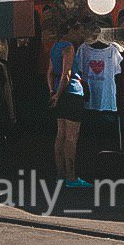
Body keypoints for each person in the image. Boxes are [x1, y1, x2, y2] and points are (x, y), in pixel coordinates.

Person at [48, 19, 90, 188]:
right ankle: (71, 177)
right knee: (72, 137)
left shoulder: (54, 47)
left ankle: (60, 174)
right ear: (71, 30)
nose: (81, 34)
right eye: (79, 30)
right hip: (71, 93)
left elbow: (50, 73)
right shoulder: (69, 47)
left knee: (61, 135)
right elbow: (67, 73)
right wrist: (58, 94)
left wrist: (52, 92)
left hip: (59, 93)